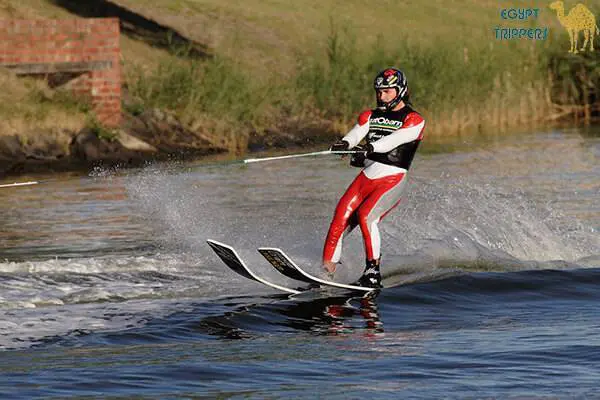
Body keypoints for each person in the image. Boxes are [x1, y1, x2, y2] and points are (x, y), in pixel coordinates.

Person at [323, 68, 425, 288]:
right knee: (339, 218)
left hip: (392, 179)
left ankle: (372, 271)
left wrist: (368, 148)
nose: (382, 96)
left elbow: (393, 141)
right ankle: (325, 274)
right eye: (379, 91)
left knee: (366, 216)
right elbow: (356, 133)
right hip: (366, 177)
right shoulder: (370, 115)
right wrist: (345, 144)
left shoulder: (414, 120)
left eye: (387, 91)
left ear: (400, 90)